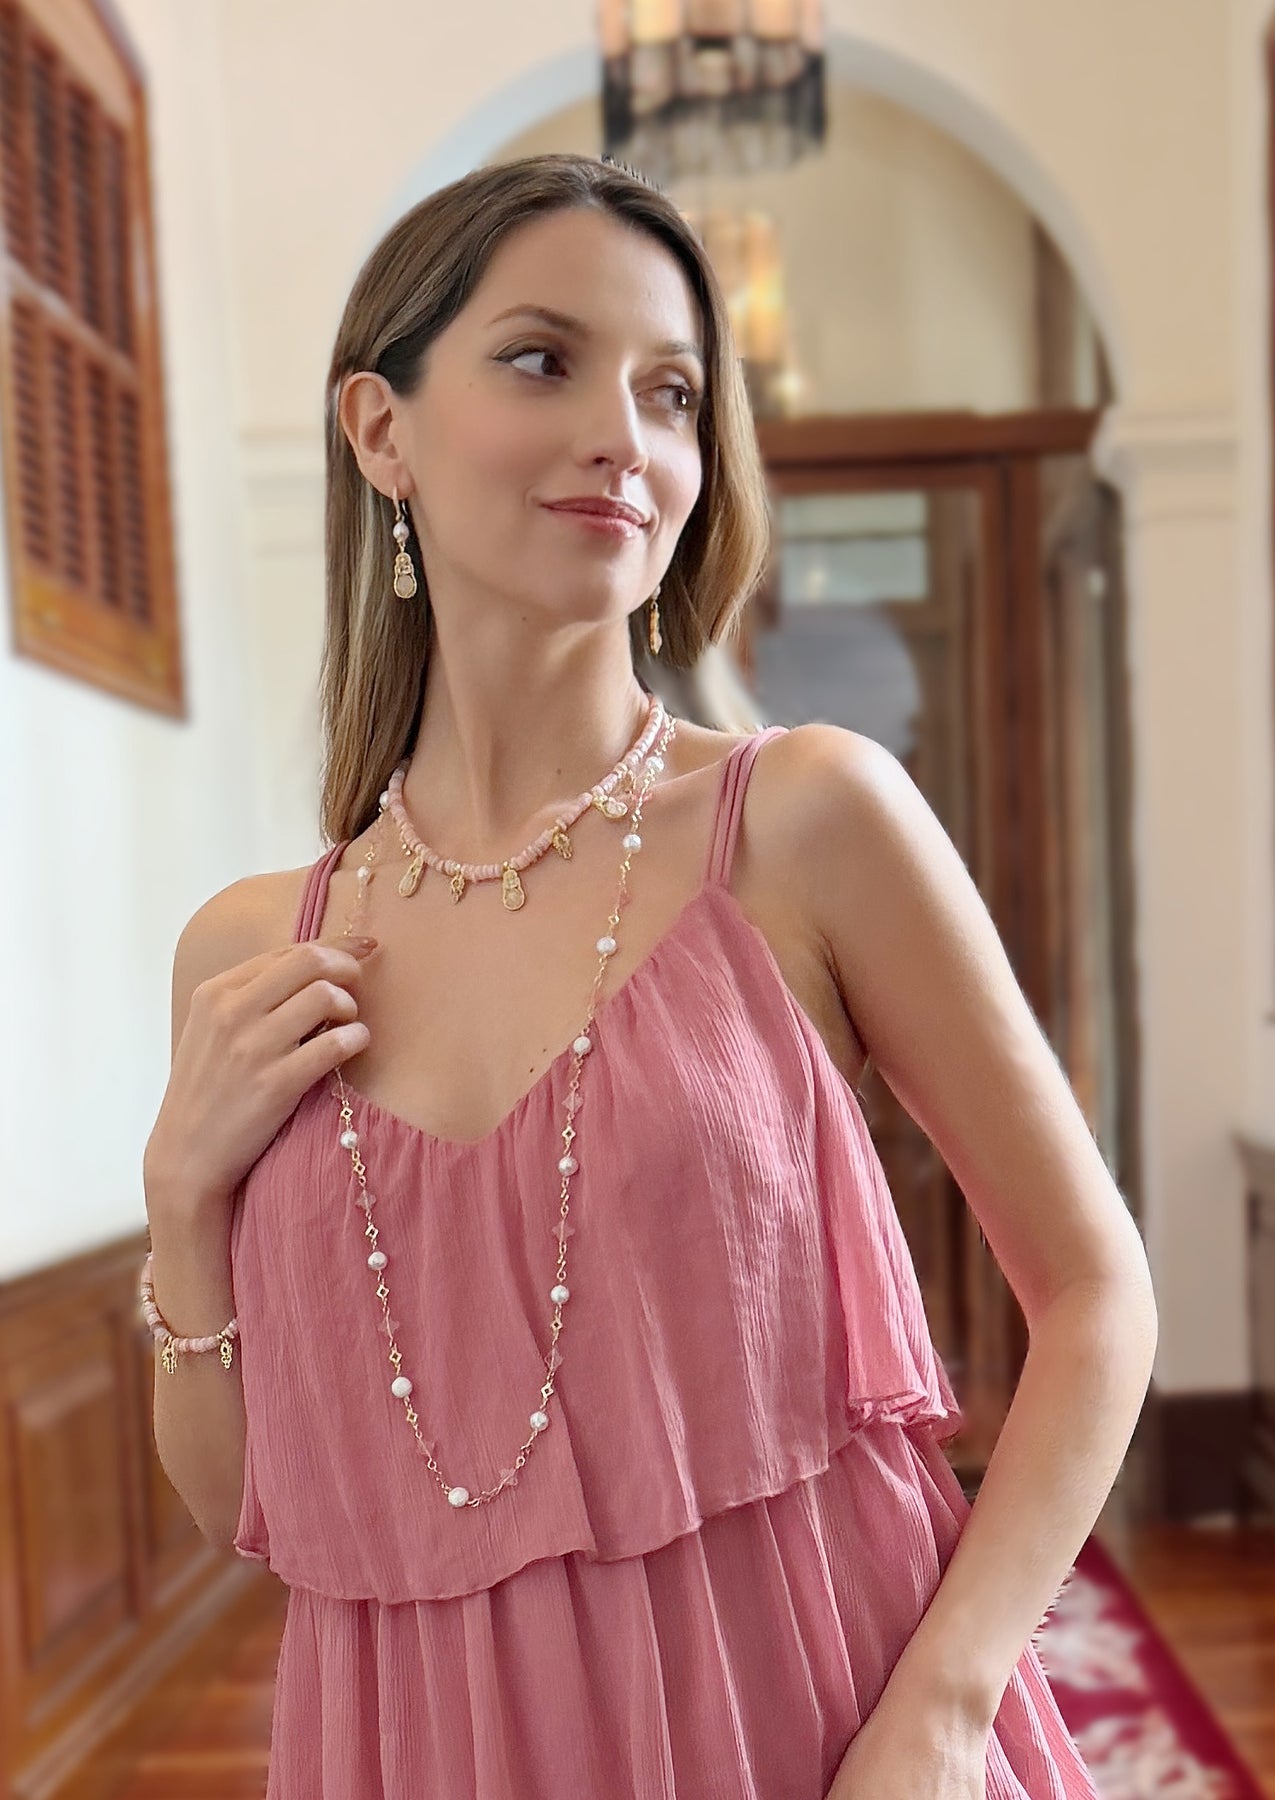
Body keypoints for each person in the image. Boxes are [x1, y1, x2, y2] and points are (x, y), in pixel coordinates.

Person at [142, 151, 1156, 1799]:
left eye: (672, 392)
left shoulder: (807, 820)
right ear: (380, 429)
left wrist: (945, 1713)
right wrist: (182, 1200)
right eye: (544, 359)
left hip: (827, 1725)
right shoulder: (256, 950)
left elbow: (1097, 1294)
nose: (626, 434)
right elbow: (238, 1505)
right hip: (424, 1751)